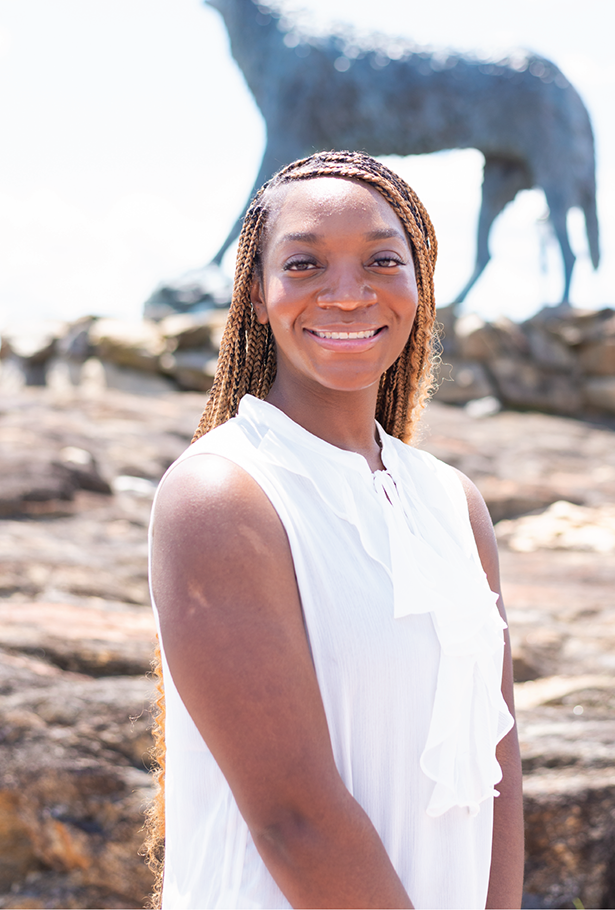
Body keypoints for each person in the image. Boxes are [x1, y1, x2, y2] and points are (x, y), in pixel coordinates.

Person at [146, 150, 524, 909]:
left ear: (418, 284)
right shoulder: (223, 494)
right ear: (257, 293)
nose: (347, 294)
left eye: (383, 259)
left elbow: (497, 776)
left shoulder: (453, 502)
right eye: (306, 264)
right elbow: (293, 821)